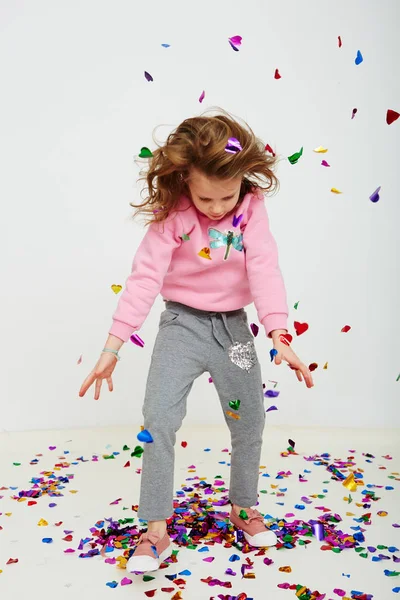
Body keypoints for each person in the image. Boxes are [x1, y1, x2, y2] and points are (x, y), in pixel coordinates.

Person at [79, 107, 314, 573]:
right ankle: (155, 531)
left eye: (226, 196)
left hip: (233, 331)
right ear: (186, 178)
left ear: (243, 180)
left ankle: (243, 508)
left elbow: (264, 268)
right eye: (206, 197)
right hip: (181, 327)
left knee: (249, 424)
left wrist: (278, 330)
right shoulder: (174, 214)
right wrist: (112, 347)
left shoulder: (251, 209)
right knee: (158, 419)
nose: (216, 208)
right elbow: (145, 278)